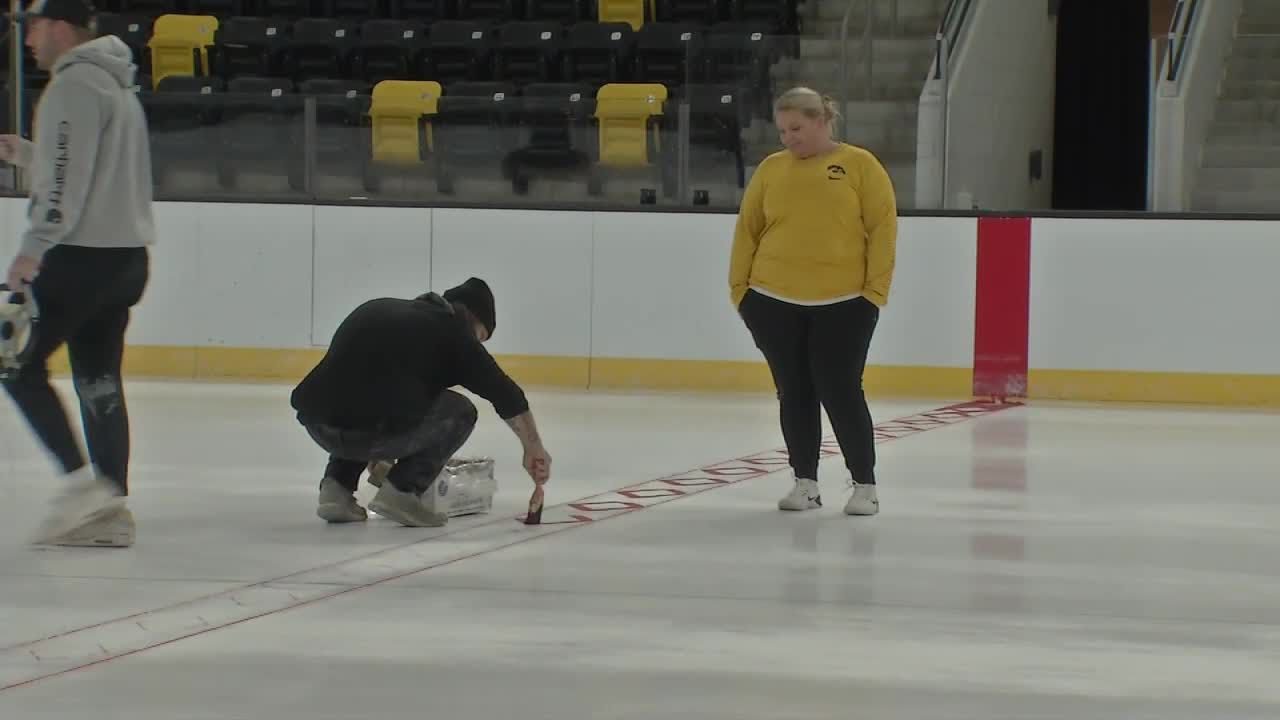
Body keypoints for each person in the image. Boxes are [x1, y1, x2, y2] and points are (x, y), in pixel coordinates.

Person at [0, 0, 155, 547]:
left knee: (14, 363)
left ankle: (81, 489)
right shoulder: (115, 83)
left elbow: (65, 183)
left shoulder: (73, 85)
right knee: (97, 378)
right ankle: (110, 508)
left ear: (60, 28)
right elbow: (90, 162)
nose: (28, 41)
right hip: (125, 259)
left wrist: (31, 249)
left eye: (34, 28)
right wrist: (27, 154)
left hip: (80, 257)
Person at [728, 87, 897, 516]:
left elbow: (882, 228)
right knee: (794, 391)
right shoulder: (771, 169)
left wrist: (874, 292)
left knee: (841, 389)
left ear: (822, 121)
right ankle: (805, 482)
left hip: (846, 302)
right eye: (783, 131)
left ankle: (865, 485)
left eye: (796, 129)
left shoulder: (860, 165)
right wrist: (741, 291)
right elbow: (748, 229)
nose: (788, 138)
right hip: (771, 300)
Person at [291, 278, 552, 527]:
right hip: (372, 431)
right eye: (481, 337)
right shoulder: (456, 334)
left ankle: (336, 488)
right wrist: (534, 448)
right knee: (461, 411)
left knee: (356, 393)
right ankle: (401, 491)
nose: (478, 345)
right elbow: (507, 395)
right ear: (473, 320)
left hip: (319, 424)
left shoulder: (379, 308)